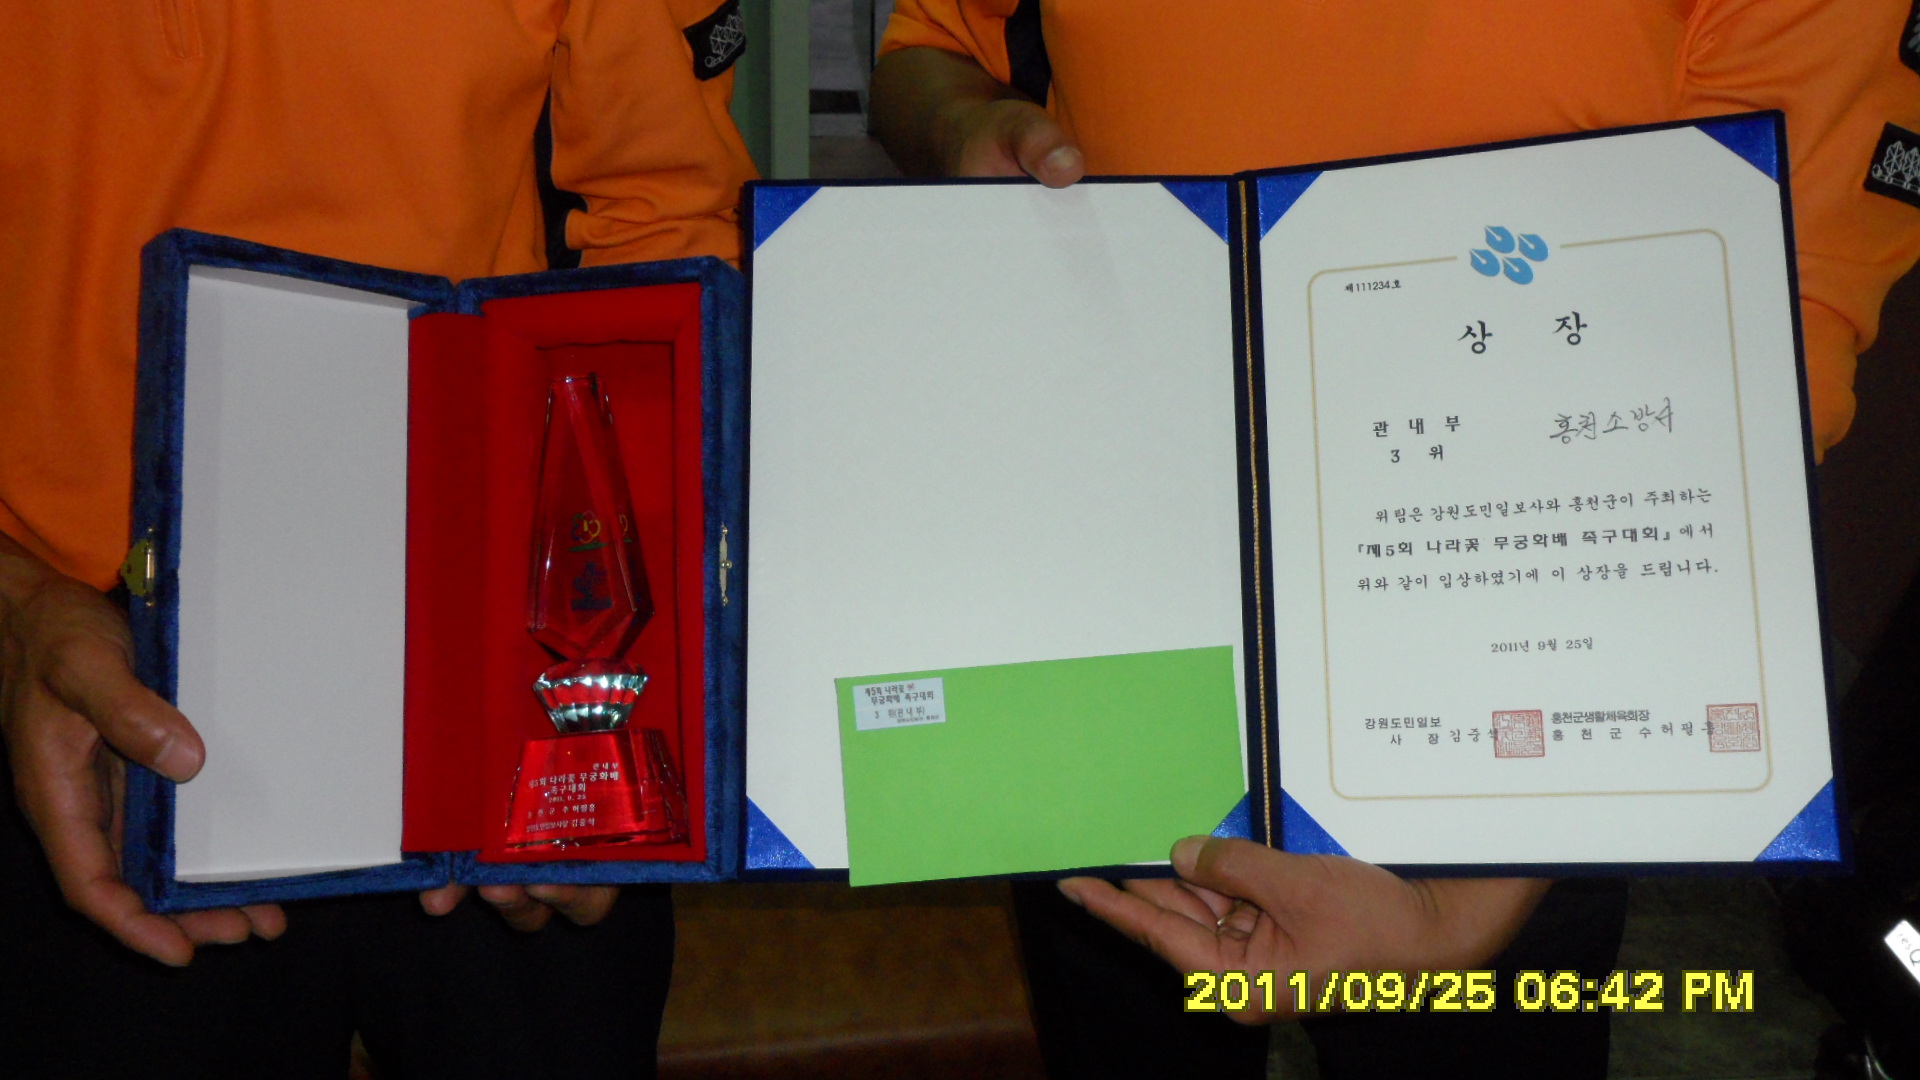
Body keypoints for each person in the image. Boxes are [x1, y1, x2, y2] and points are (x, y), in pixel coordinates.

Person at [869, 1, 1920, 1075]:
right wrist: (964, 128)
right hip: (1116, 606)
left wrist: (1471, 899)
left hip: (1505, 667)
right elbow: (927, 52)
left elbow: (1766, 327)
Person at [0, 1, 753, 1075]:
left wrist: (642, 656)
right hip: (78, 672)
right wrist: (15, 603)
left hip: (514, 624)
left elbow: (667, 222)